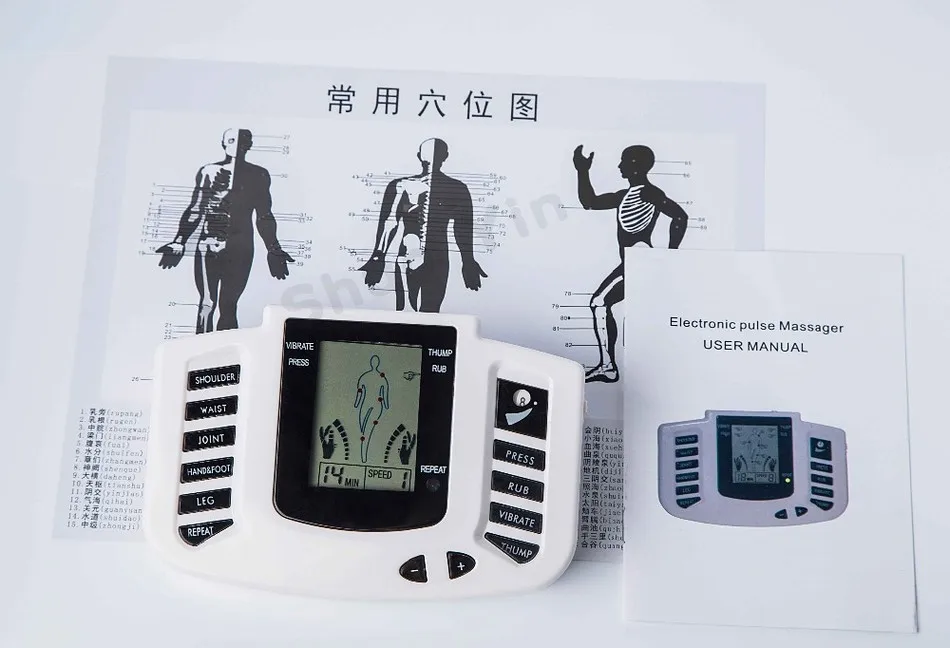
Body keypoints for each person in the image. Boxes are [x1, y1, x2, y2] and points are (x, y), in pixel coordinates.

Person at [155, 128, 295, 333]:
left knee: (229, 305)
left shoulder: (258, 175)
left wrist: (274, 249)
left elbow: (264, 215)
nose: (236, 145)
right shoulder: (209, 172)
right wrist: (179, 241)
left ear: (249, 145)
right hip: (208, 244)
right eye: (231, 140)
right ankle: (200, 349)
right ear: (223, 144)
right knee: (207, 303)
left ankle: (225, 351)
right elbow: (196, 208)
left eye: (241, 141)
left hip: (241, 247)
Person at [573, 143, 689, 383]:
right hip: (632, 263)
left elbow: (680, 216)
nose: (619, 166)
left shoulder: (650, 193)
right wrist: (582, 171)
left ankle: (609, 367)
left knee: (600, 303)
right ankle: (609, 366)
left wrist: (671, 255)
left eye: (624, 161)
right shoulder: (624, 195)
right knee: (601, 303)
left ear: (635, 166)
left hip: (639, 263)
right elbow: (590, 202)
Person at [358, 137, 487, 312]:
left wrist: (378, 257)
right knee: (409, 312)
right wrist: (377, 258)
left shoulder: (454, 189)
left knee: (427, 313)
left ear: (419, 155)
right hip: (420, 256)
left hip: (433, 259)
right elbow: (390, 222)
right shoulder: (451, 188)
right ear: (446, 156)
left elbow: (462, 228)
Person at [354, 354, 391, 463]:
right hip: (370, 405)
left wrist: (357, 404)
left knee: (367, 429)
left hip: (371, 405)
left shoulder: (367, 377)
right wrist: (386, 405)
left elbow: (359, 393)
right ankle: (362, 457)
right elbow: (360, 392)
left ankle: (363, 457)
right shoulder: (375, 377)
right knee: (362, 429)